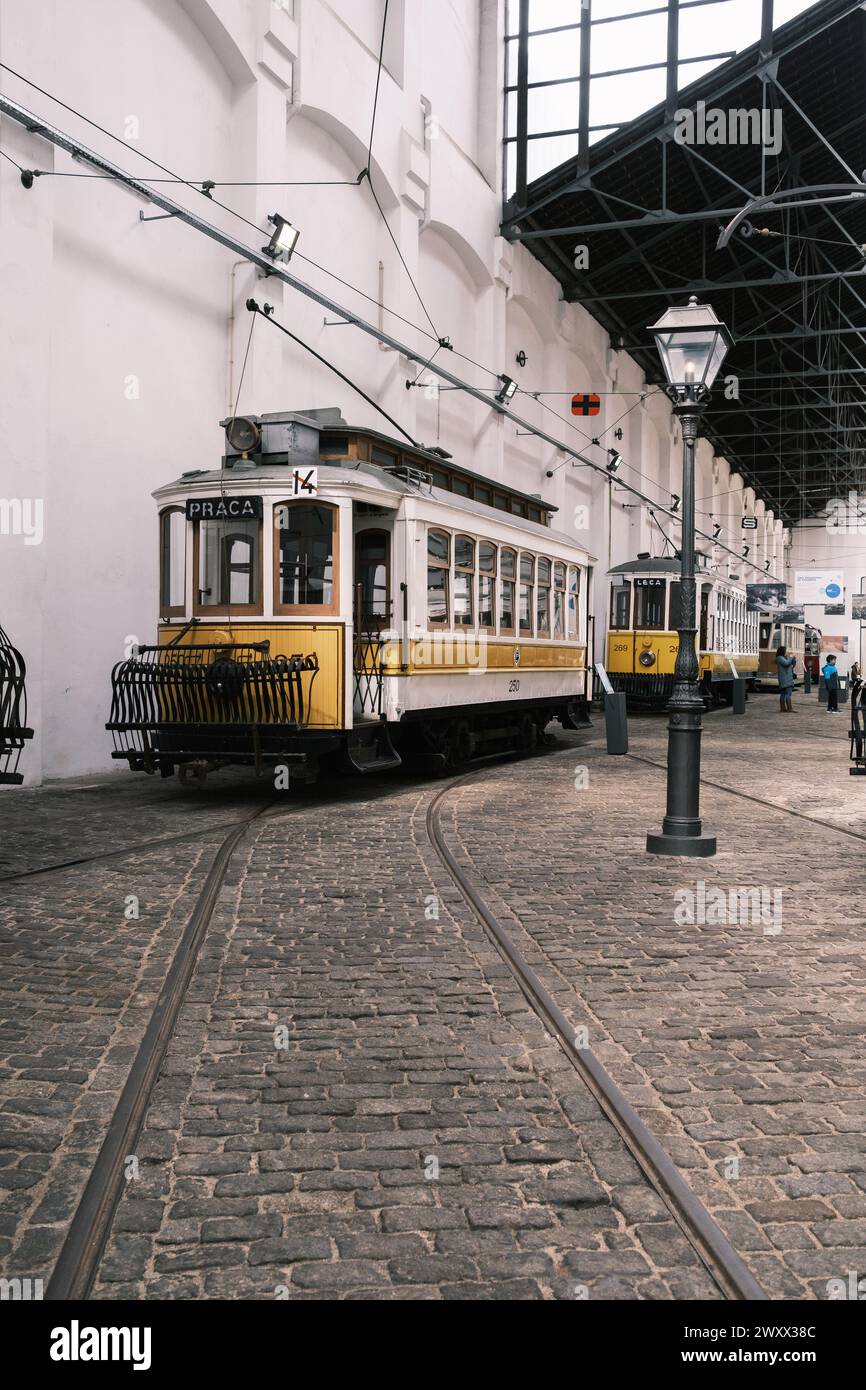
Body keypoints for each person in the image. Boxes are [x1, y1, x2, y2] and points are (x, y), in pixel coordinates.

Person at [776, 645, 796, 712]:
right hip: (785, 679)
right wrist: (790, 657)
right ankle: (789, 708)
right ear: (782, 651)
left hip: (786, 678)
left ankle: (783, 708)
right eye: (786, 651)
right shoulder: (780, 658)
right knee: (787, 694)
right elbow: (786, 663)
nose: (787, 652)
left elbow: (792, 665)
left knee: (784, 694)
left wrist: (793, 659)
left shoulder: (783, 658)